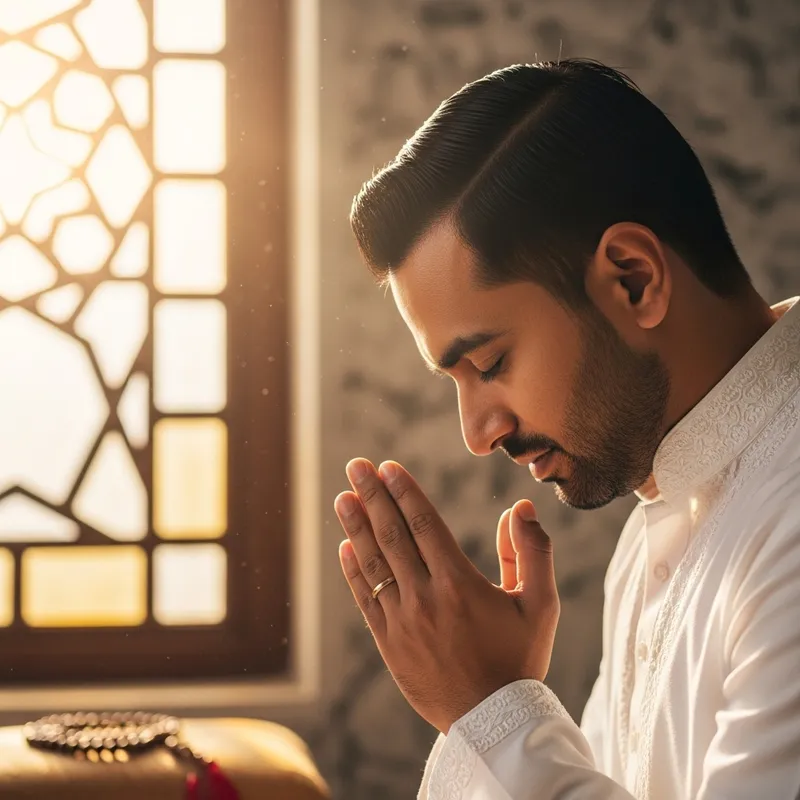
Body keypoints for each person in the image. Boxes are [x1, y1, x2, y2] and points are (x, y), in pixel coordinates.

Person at [332, 58, 800, 799]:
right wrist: (500, 703)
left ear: (632, 279)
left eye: (489, 361)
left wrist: (491, 711)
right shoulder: (661, 515)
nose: (478, 432)